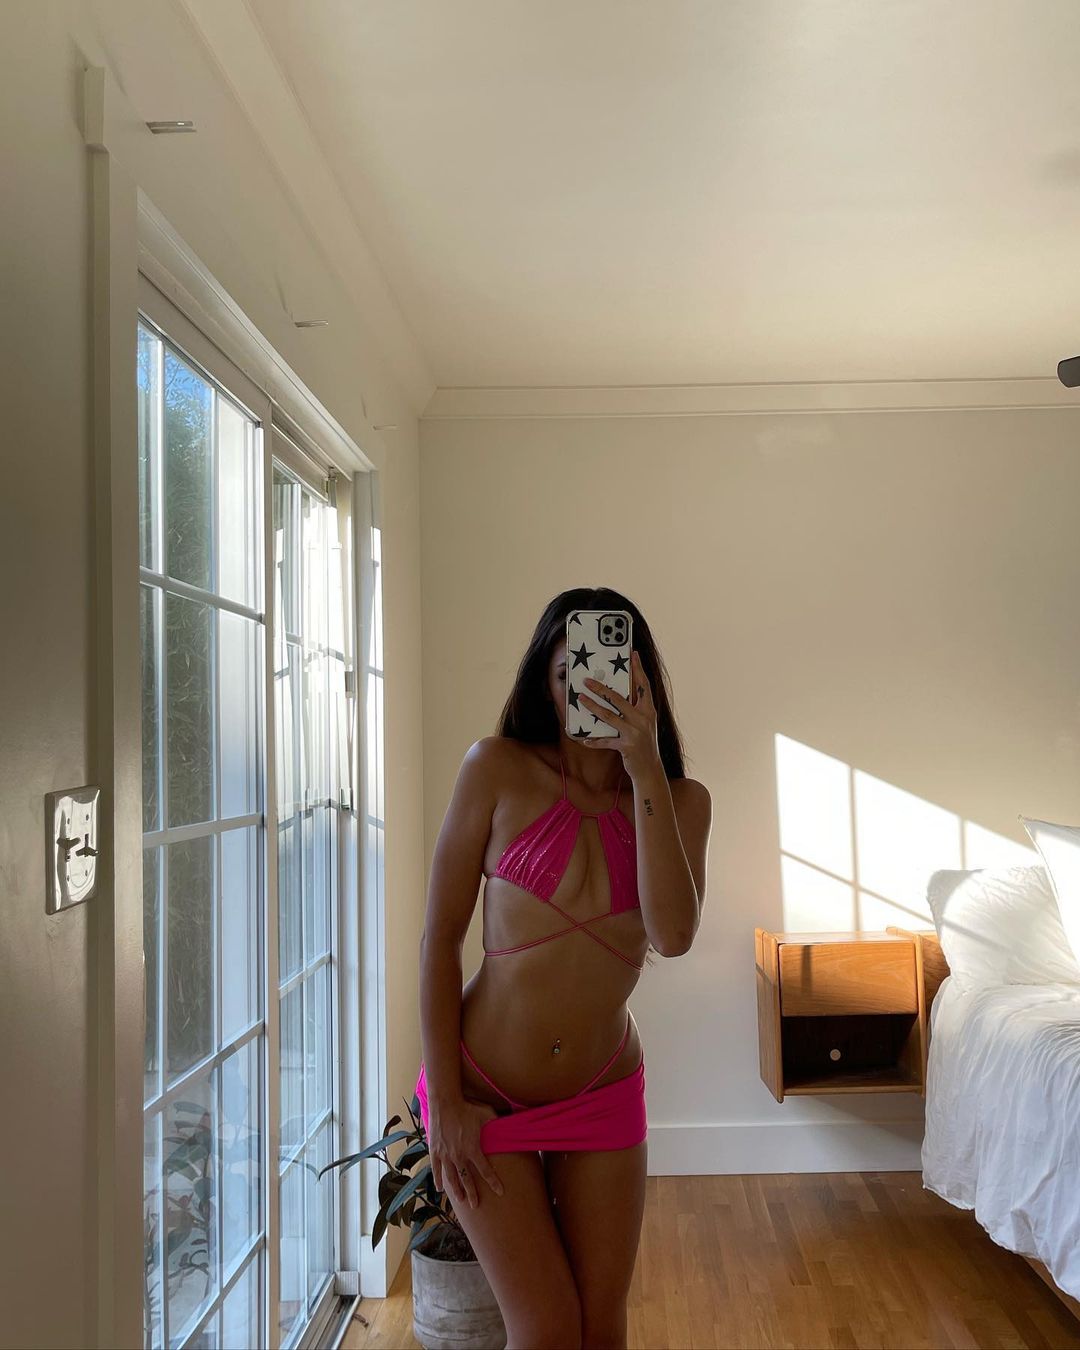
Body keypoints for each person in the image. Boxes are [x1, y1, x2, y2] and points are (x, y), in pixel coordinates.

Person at [415, 588, 712, 1350]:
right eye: (571, 672)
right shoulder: (495, 769)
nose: (593, 689)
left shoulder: (681, 801)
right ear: (545, 686)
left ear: (643, 686)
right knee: (545, 1327)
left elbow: (673, 935)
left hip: (601, 1092)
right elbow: (440, 937)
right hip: (484, 1093)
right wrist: (444, 1103)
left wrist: (643, 768)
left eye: (616, 674)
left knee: (599, 1330)